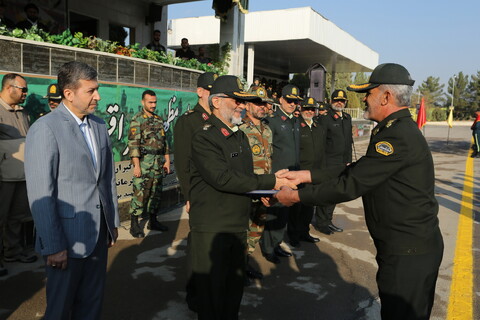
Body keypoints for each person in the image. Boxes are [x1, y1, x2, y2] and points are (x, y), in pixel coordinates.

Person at [275, 63, 444, 320]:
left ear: (386, 97)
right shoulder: (394, 130)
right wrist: (306, 175)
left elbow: (350, 184)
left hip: (408, 253)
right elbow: (358, 169)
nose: (364, 98)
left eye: (369, 92)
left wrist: (295, 196)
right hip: (406, 248)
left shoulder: (396, 136)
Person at [188, 75, 294, 319]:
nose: (241, 105)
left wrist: (263, 195)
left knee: (232, 295)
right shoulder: (204, 137)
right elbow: (224, 179)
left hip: (237, 226)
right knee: (212, 299)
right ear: (216, 102)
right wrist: (271, 181)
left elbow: (246, 177)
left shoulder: (239, 136)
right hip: (213, 229)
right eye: (236, 100)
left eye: (243, 101)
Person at [25, 61, 120, 319]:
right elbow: (40, 193)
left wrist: (111, 223)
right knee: (59, 309)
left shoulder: (99, 126)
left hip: (98, 234)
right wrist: (53, 245)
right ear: (69, 93)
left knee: (91, 305)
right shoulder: (45, 129)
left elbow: (106, 179)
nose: (98, 96)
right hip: (66, 240)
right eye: (91, 91)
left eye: (97, 89)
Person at [173, 71, 216, 311]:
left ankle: (210, 287)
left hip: (219, 192)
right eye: (210, 90)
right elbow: (182, 162)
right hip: (199, 193)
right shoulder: (188, 121)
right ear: (200, 92)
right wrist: (189, 195)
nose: (213, 95)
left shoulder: (222, 119)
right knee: (198, 244)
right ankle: (194, 294)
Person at [260, 84, 302, 264]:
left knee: (284, 213)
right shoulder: (272, 121)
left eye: (295, 101)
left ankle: (276, 243)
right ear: (281, 100)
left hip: (293, 176)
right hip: (279, 176)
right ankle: (268, 248)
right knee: (274, 212)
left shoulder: (295, 121)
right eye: (289, 100)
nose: (292, 104)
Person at [0, 73, 37, 278]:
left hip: (22, 174)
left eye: (26, 89)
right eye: (22, 89)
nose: (25, 93)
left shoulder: (23, 112)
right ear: (8, 88)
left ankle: (13, 253)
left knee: (17, 217)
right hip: (3, 176)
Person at [239, 86, 273, 283]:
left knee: (257, 227)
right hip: (247, 189)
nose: (262, 107)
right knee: (242, 229)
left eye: (264, 103)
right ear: (247, 105)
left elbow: (269, 159)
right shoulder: (240, 129)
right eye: (257, 103)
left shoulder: (267, 130)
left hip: (265, 189)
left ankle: (245, 260)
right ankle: (237, 267)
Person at [128, 90, 170, 238]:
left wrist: (167, 161)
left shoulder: (159, 120)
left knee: (156, 193)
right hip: (144, 162)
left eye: (154, 102)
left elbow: (164, 143)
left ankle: (153, 221)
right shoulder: (137, 120)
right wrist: (137, 166)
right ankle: (134, 224)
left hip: (158, 162)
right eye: (150, 102)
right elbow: (134, 145)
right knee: (140, 193)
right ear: (143, 102)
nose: (153, 105)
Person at [313, 89, 352, 235]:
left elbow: (348, 142)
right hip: (328, 163)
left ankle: (328, 220)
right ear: (331, 101)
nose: (339, 103)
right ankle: (321, 222)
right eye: (337, 100)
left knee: (335, 194)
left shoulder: (347, 118)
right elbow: (320, 144)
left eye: (342, 101)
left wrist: (348, 161)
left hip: (342, 163)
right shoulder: (325, 119)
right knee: (326, 193)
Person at [287, 97, 324, 247]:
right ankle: (293, 235)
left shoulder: (318, 127)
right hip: (299, 174)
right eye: (306, 109)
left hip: (314, 174)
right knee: (296, 207)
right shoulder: (296, 126)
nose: (309, 111)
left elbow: (322, 151)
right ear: (300, 109)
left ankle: (304, 232)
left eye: (312, 109)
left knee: (309, 206)